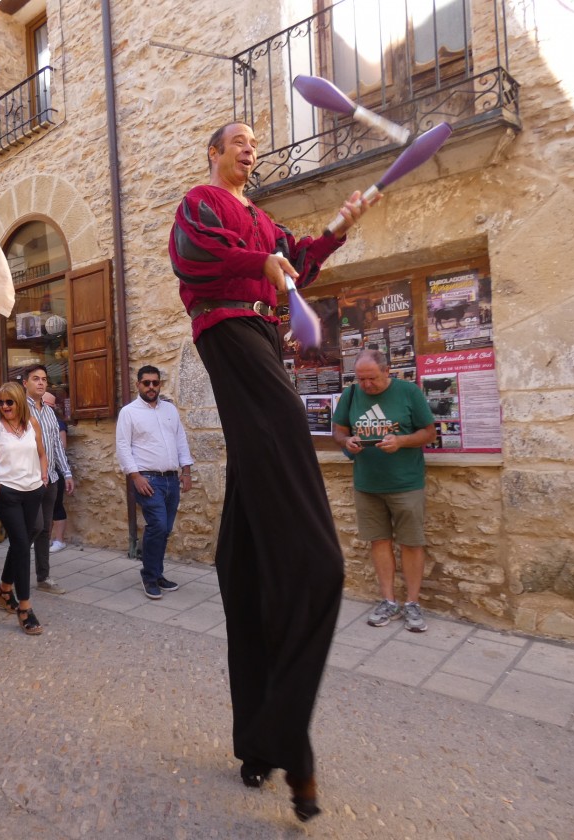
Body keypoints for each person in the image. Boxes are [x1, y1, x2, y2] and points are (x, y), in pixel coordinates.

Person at [168, 121, 376, 821]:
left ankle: (257, 743)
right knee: (319, 562)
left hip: (262, 333)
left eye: (256, 142)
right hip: (230, 333)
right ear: (215, 153)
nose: (250, 148)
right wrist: (262, 266)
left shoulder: (262, 219)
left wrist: (337, 229)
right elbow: (200, 257)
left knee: (247, 558)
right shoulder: (203, 202)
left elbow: (293, 262)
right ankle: (290, 743)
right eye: (239, 141)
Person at [332, 350, 436, 633]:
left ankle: (412, 604)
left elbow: (429, 432)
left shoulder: (408, 392)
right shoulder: (351, 395)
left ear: (387, 371)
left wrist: (401, 441)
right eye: (361, 379)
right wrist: (347, 441)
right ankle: (388, 600)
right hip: (367, 483)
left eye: (372, 379)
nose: (366, 385)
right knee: (379, 541)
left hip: (406, 482)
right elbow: (338, 431)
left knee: (411, 542)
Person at [115, 366, 193, 601]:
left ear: (160, 385)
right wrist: (135, 476)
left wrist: (186, 470)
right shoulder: (129, 412)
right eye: (146, 383)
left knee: (165, 529)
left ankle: (157, 574)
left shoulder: (170, 410)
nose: (151, 387)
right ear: (138, 385)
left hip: (171, 479)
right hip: (147, 480)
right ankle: (149, 576)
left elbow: (180, 439)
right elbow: (122, 446)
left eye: (155, 383)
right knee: (157, 525)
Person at [0, 380, 48, 635]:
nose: (5, 406)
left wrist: (43, 477)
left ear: (19, 402)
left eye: (9, 402)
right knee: (21, 543)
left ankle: (5, 589)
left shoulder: (32, 424)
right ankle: (25, 608)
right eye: (0, 402)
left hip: (33, 491)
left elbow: (42, 453)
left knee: (27, 537)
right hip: (6, 493)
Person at [22, 365, 74, 593]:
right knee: (33, 527)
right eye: (35, 379)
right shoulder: (18, 410)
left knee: (45, 529)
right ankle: (14, 575)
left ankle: (43, 578)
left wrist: (67, 472)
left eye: (44, 379)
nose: (41, 383)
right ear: (25, 383)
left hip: (51, 478)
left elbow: (57, 446)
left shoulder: (50, 413)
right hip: (29, 479)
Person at [44, 391, 70, 552]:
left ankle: (59, 540)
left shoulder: (58, 423)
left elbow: (62, 446)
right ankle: (44, 539)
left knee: (56, 505)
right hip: (42, 470)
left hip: (56, 469)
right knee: (43, 508)